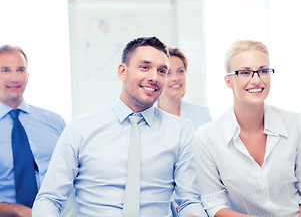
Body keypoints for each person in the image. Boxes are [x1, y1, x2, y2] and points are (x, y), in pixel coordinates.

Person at [32, 36, 207, 217]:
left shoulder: (181, 130)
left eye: (162, 71)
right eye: (144, 67)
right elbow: (49, 199)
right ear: (123, 72)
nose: (154, 77)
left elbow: (190, 201)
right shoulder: (80, 128)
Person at [194, 40, 301, 217]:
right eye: (245, 72)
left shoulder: (295, 123)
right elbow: (214, 203)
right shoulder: (207, 136)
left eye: (263, 71)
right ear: (228, 81)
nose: (256, 80)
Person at [0, 45, 66, 217]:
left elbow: (73, 175)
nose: (14, 77)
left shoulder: (54, 122)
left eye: (20, 70)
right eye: (5, 70)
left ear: (27, 76)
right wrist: (16, 210)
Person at [157, 47, 211, 129]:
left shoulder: (202, 114)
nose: (175, 78)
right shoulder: (144, 115)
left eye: (180, 71)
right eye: (168, 73)